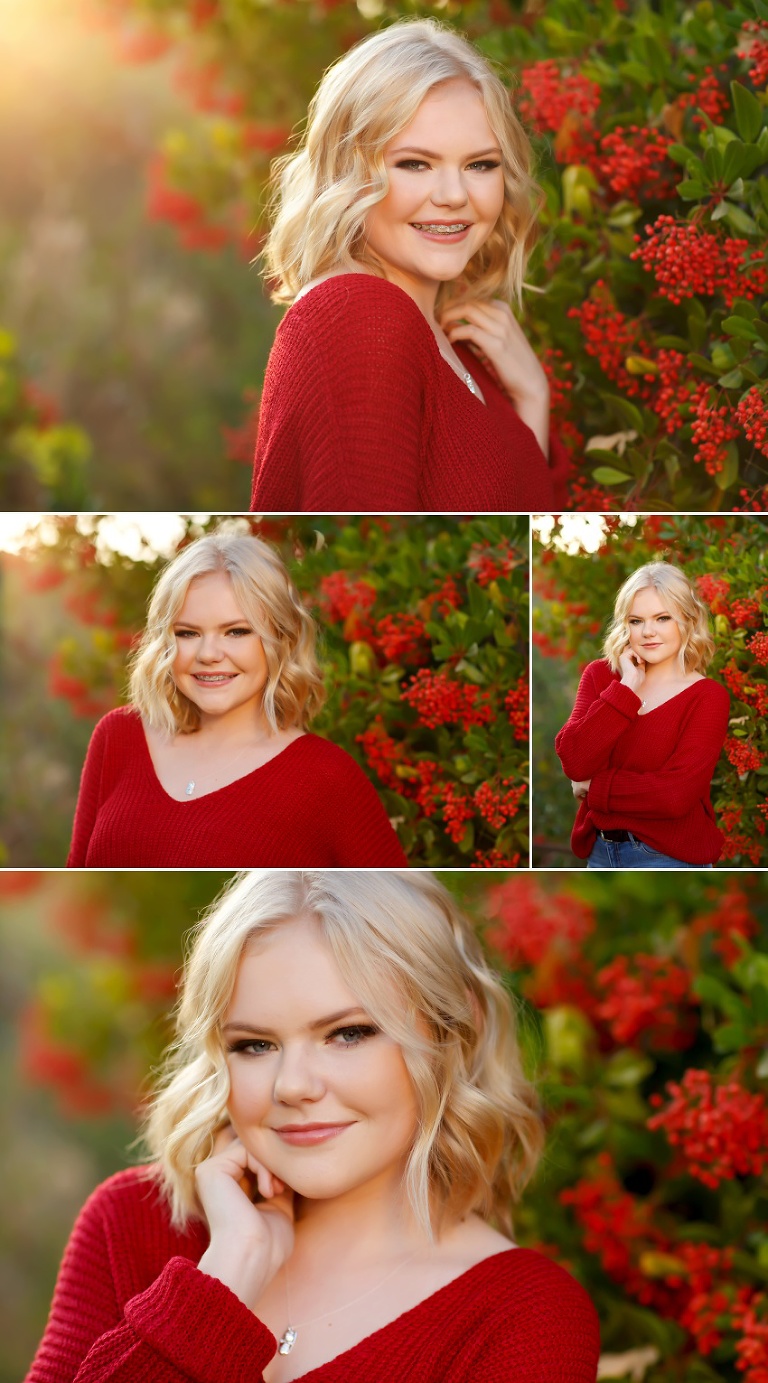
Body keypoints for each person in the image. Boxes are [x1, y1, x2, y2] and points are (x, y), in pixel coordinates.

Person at [26, 870, 601, 1383]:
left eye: (348, 1033)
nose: (292, 1086)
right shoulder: (131, 1224)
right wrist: (222, 1280)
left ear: (453, 1031)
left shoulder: (526, 1319)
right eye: (254, 1044)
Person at [250, 19, 571, 514]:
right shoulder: (358, 316)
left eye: (480, 164)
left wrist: (531, 397)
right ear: (348, 174)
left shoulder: (456, 349)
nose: (453, 196)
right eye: (415, 164)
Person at [67, 532, 407, 868]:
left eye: (236, 631)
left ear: (280, 638)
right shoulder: (117, 736)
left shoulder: (328, 778)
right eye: (188, 633)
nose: (209, 654)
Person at [555, 562, 730, 869]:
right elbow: (574, 760)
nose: (648, 632)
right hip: (599, 853)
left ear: (687, 621)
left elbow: (674, 796)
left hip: (671, 859)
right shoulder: (600, 677)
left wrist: (596, 787)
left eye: (662, 618)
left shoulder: (708, 697)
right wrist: (626, 689)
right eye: (636, 621)